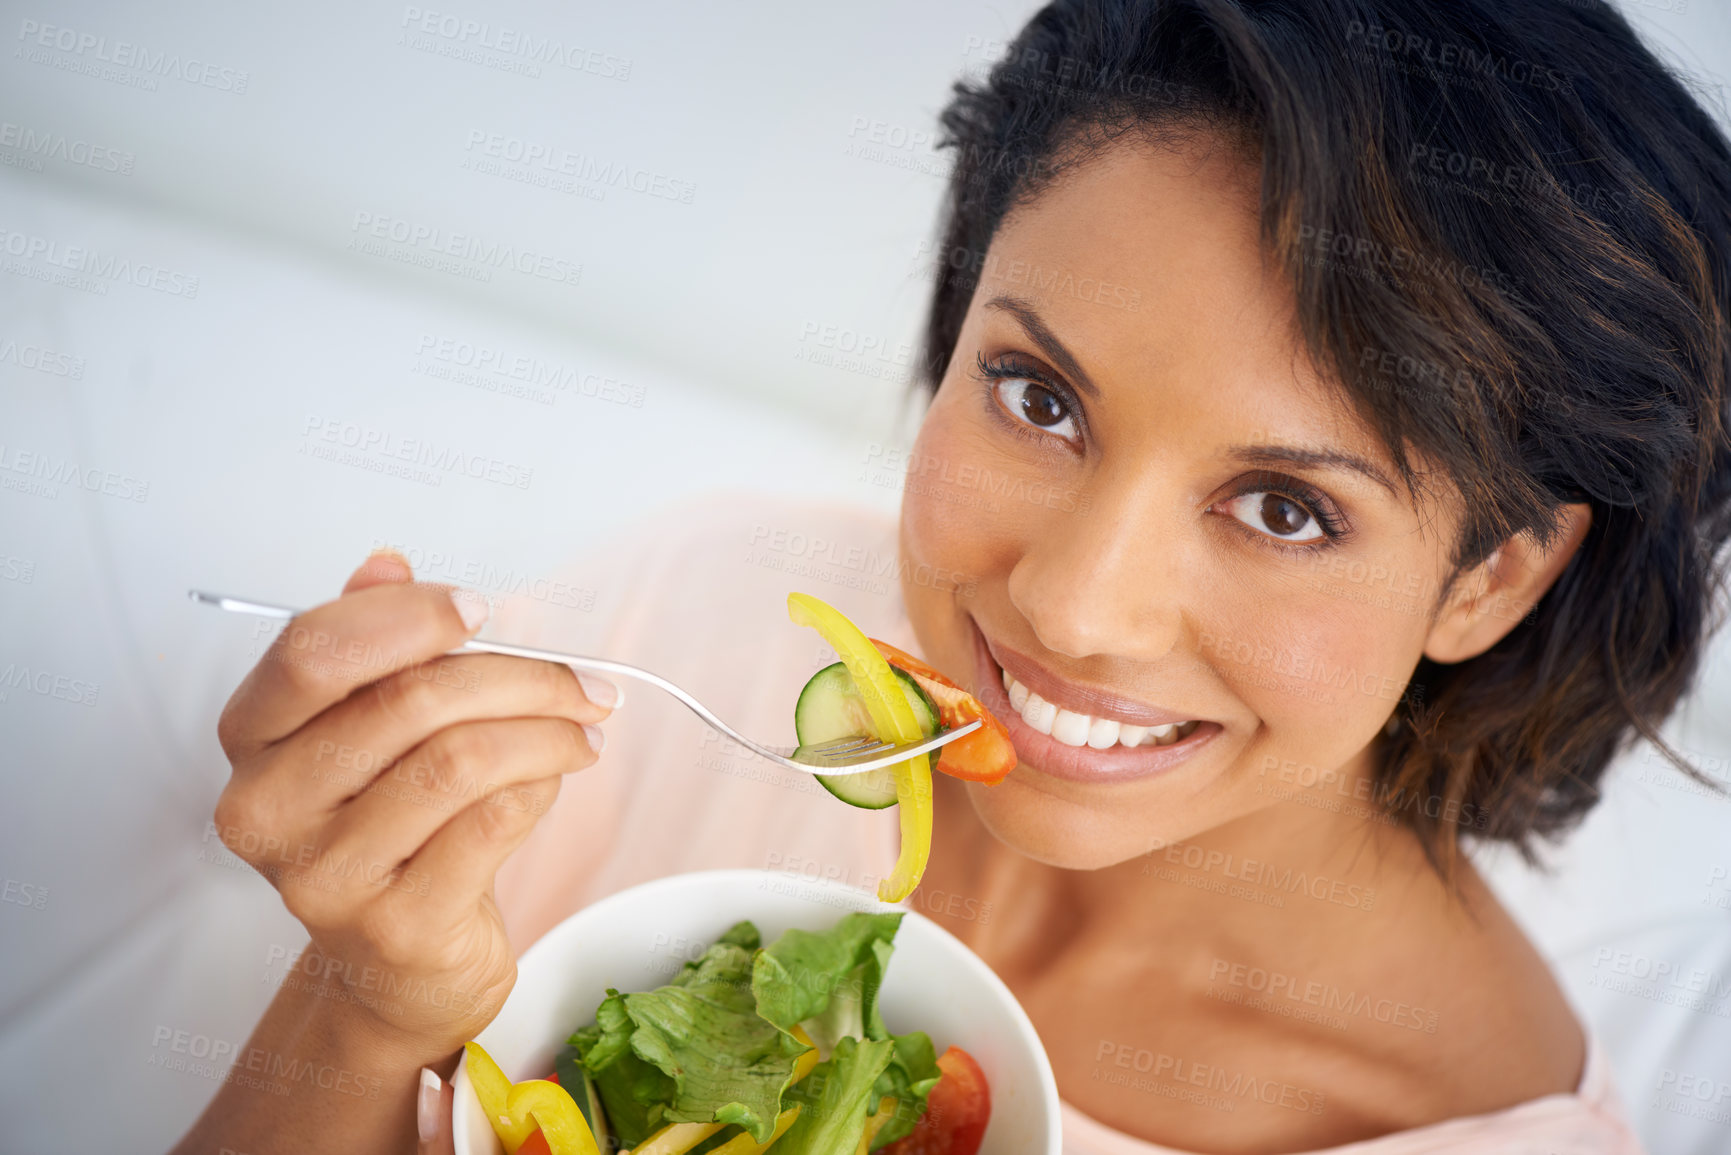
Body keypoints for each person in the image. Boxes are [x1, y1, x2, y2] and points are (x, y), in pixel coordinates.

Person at [170, 0, 1731, 1151]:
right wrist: (374, 998)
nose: (1069, 607)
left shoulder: (1461, 1125)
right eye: (1039, 397)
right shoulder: (703, 621)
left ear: (1492, 577)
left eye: (1283, 509)